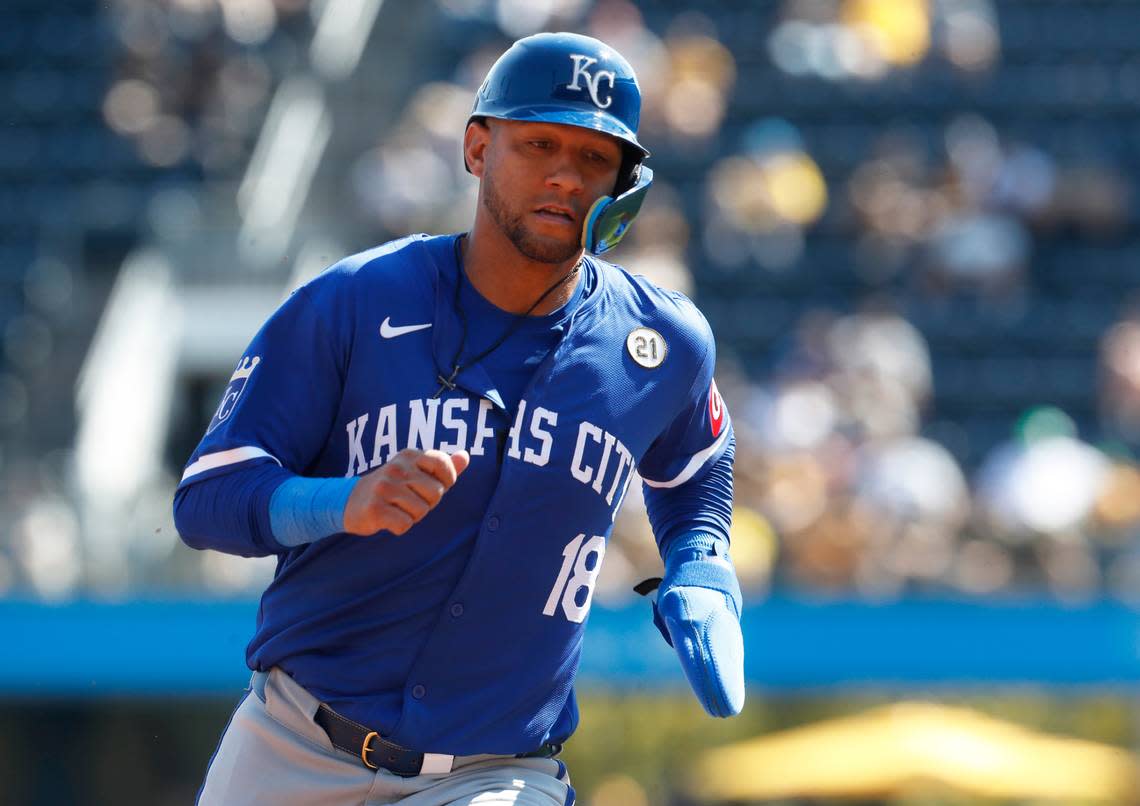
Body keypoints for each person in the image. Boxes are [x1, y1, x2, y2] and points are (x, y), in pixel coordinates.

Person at [174, 31, 744, 806]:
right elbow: (208, 499)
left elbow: (698, 461)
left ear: (625, 188)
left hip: (498, 773)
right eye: (539, 143)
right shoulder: (352, 302)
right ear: (478, 146)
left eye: (594, 160)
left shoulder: (662, 345)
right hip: (294, 743)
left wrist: (701, 564)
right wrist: (340, 502)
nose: (565, 176)